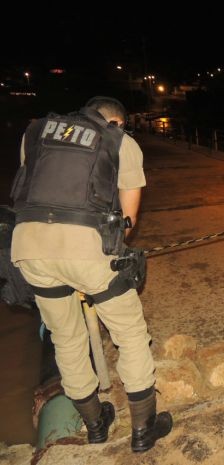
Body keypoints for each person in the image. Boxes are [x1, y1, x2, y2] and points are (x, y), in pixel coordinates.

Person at [9, 97, 172, 452]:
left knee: (65, 339)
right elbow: (127, 222)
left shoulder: (34, 132)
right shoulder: (119, 141)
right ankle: (144, 430)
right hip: (86, 249)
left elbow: (34, 189)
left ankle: (96, 424)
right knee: (130, 334)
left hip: (29, 247)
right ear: (115, 121)